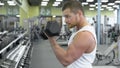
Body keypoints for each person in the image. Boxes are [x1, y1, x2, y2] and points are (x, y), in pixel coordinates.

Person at [45, 0, 97, 68]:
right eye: (64, 17)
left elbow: (66, 60)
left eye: (68, 16)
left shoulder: (84, 35)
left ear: (79, 14)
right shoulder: (78, 31)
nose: (65, 21)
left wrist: (52, 40)